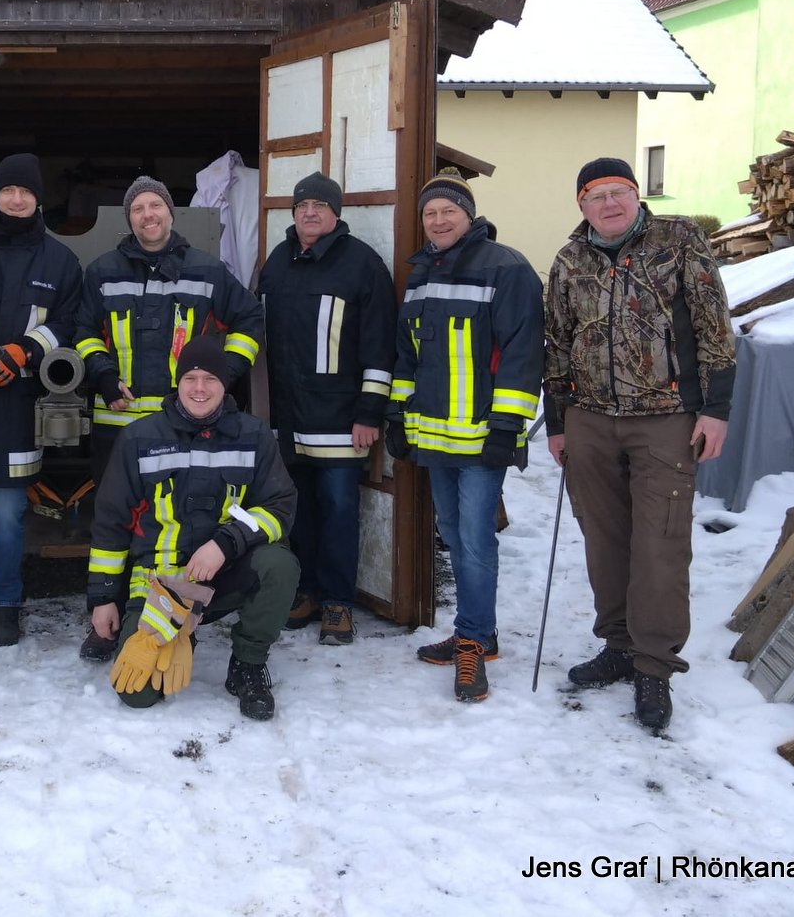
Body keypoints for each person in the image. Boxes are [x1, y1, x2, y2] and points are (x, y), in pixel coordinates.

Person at [544, 157, 735, 732]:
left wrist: (716, 410)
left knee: (660, 543)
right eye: (595, 195)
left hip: (666, 418)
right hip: (589, 420)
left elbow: (714, 326)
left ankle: (654, 665)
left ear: (635, 196)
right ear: (581, 205)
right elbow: (557, 344)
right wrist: (558, 423)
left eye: (618, 192)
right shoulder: (568, 260)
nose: (609, 203)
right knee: (604, 539)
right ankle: (619, 645)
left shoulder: (679, 240)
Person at [74, 176, 264, 661]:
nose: (148, 214)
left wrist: (226, 372)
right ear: (129, 218)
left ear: (170, 214)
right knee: (115, 522)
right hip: (119, 424)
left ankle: (174, 609)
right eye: (138, 207)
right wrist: (102, 373)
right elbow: (82, 329)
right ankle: (108, 617)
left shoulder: (207, 270)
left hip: (186, 426)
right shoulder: (102, 271)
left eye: (155, 205)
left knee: (172, 523)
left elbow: (250, 320)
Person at [387, 169, 543, 702]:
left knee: (475, 542)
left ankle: (473, 641)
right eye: (430, 213)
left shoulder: (507, 268)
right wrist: (398, 416)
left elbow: (523, 353)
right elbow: (407, 354)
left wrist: (507, 425)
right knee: (454, 535)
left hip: (482, 440)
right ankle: (478, 630)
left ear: (469, 216)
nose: (438, 220)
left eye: (448, 211)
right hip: (435, 440)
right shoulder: (420, 274)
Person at [87, 337, 298, 720]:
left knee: (279, 565)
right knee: (136, 694)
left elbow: (278, 507)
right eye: (191, 378)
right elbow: (110, 523)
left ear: (224, 384)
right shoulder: (139, 438)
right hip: (160, 586)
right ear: (178, 381)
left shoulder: (253, 436)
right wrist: (103, 598)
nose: (200, 388)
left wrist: (225, 544)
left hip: (223, 575)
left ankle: (248, 664)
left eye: (210, 379)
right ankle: (179, 632)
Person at [0, 154, 83, 650]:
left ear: (38, 198)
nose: (17, 198)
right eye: (9, 190)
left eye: (26, 191)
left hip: (22, 404)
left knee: (7, 516)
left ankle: (6, 604)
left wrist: (23, 351)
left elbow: (68, 322)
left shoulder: (60, 260)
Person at [256, 172, 395, 646]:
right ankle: (308, 591)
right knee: (297, 511)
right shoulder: (277, 261)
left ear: (336, 213)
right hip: (288, 420)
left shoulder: (362, 265)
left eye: (320, 205)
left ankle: (338, 602)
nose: (310, 212)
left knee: (338, 511)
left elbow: (379, 344)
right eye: (302, 206)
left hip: (340, 421)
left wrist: (369, 412)